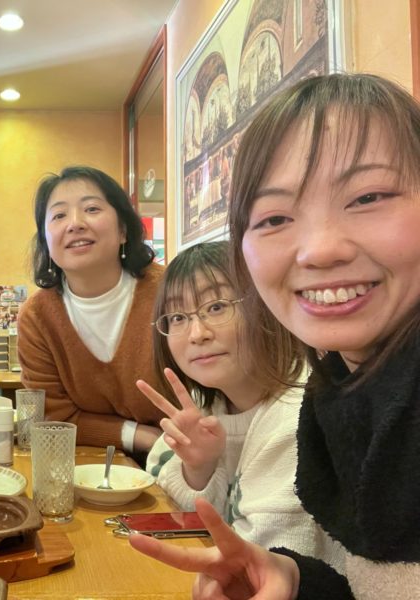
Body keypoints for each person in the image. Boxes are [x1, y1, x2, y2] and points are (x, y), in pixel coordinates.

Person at [130, 73, 420, 598]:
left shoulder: (299, 406)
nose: (320, 250)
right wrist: (292, 579)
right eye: (275, 218)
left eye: (368, 196)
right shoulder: (337, 393)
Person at [139, 241, 342, 570]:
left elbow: (261, 566)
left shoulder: (299, 413)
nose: (197, 333)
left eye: (217, 307)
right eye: (177, 317)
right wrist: (199, 469)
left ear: (265, 304)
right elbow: (160, 493)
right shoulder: (210, 404)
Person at [18, 165, 166, 457]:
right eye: (59, 216)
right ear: (46, 241)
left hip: (189, 459)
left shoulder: (171, 291)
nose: (75, 224)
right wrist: (142, 436)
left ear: (123, 230)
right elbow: (52, 418)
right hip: (92, 462)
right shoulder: (37, 317)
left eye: (92, 209)